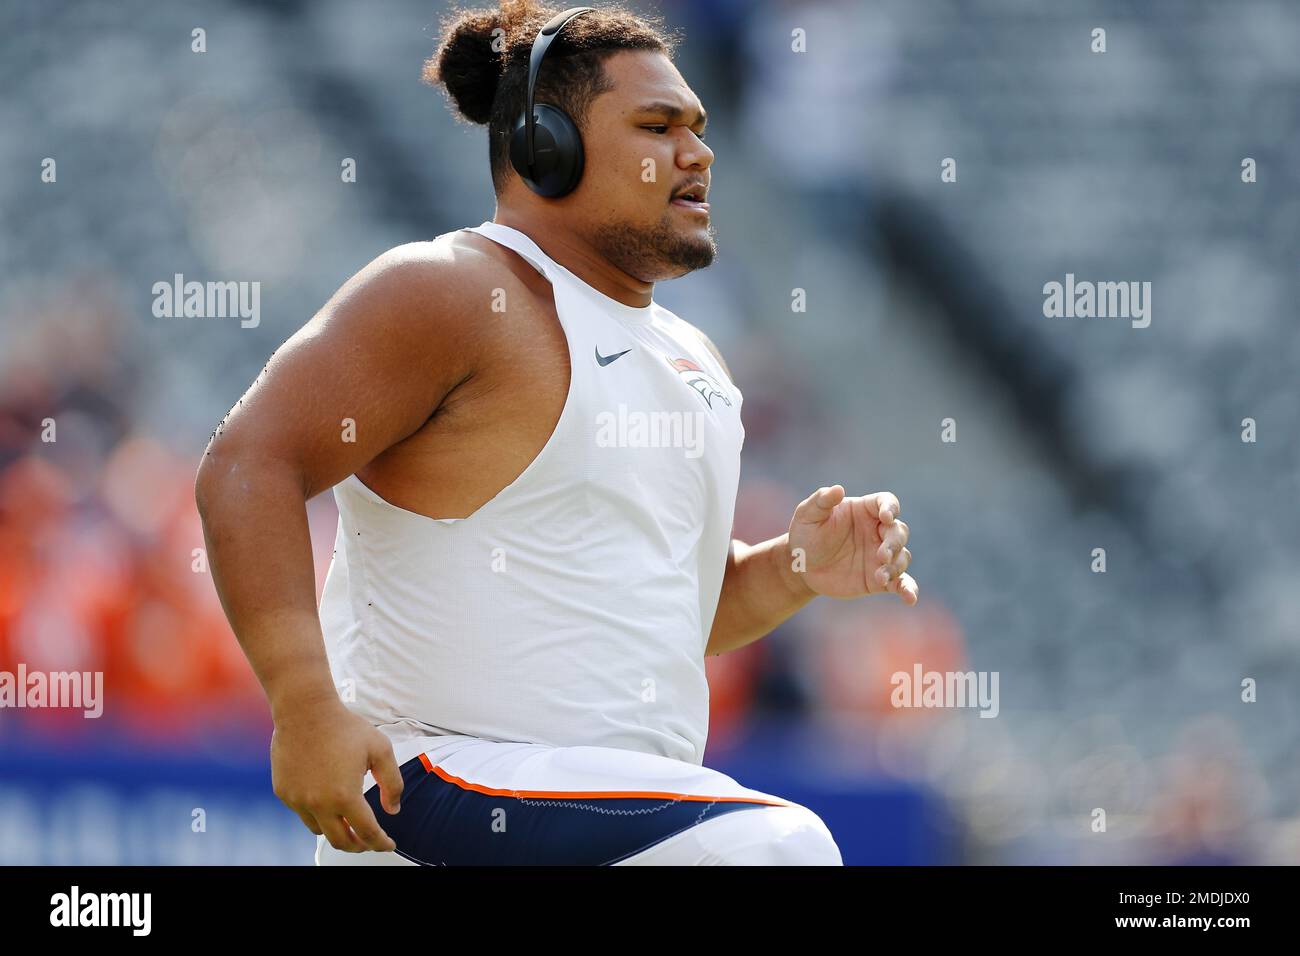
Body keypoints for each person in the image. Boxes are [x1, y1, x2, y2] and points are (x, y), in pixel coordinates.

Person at [194, 0, 917, 866]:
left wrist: (793, 569)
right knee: (778, 848)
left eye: (699, 127)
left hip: (594, 818)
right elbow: (248, 462)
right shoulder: (449, 289)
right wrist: (305, 704)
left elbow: (659, 609)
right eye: (658, 126)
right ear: (546, 146)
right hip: (434, 788)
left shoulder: (695, 359)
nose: (699, 153)